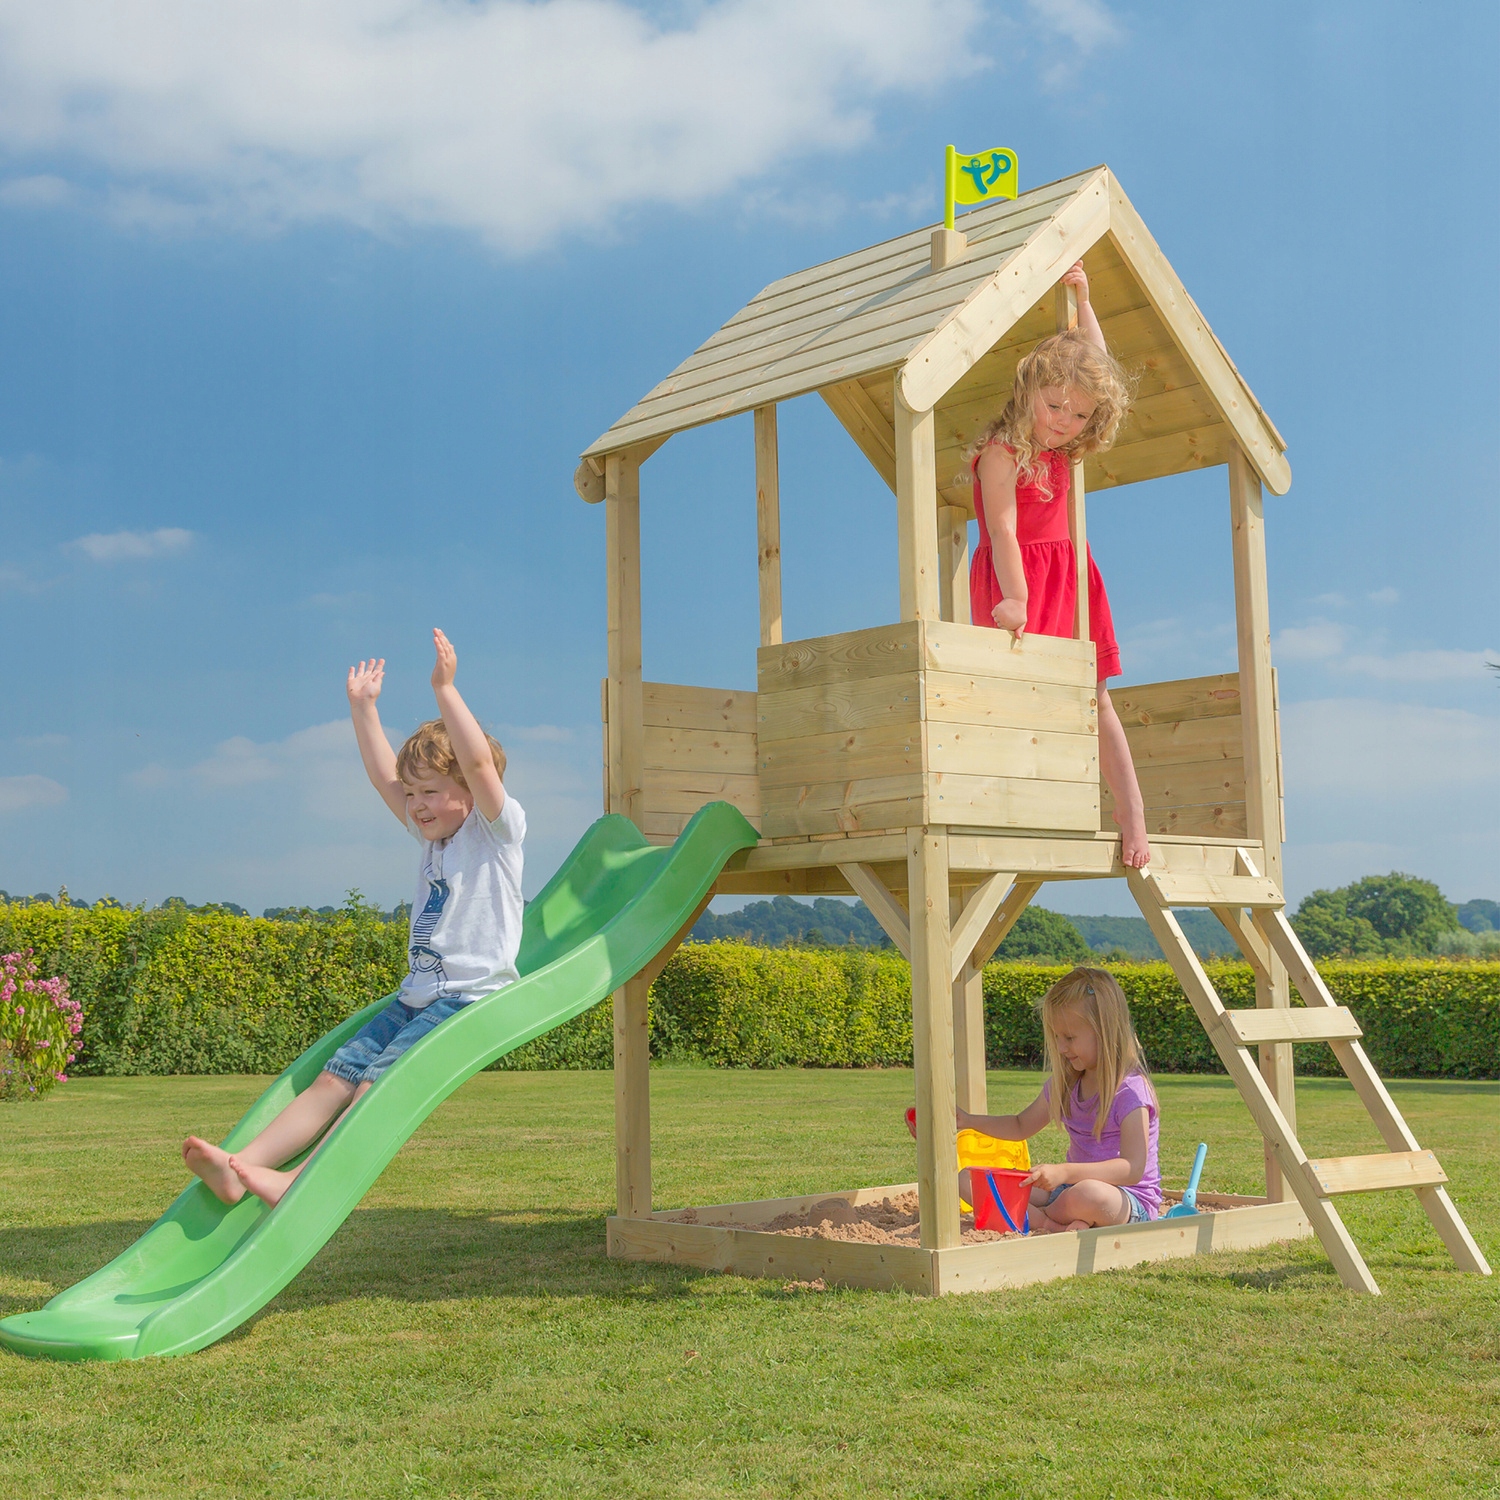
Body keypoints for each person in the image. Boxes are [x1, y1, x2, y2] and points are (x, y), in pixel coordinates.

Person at [182, 628, 525, 1209]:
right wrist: (363, 709)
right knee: (335, 1076)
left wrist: (445, 689)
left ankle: (301, 1180)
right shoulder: (432, 841)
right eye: (412, 795)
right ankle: (242, 1168)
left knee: (374, 1084)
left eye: (430, 792)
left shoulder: (496, 833)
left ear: (470, 789)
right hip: (415, 996)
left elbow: (474, 760)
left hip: (466, 998)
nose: (416, 805)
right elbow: (383, 776)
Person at [970, 261, 1152, 868]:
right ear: (1028, 391)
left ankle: (1131, 811)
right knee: (1015, 691)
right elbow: (1002, 528)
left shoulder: (1065, 451)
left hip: (1070, 578)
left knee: (1094, 697)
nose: (1064, 422)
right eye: (1054, 406)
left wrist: (1084, 299)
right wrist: (1017, 597)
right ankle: (1014, 804)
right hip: (1016, 579)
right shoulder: (1001, 454)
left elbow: (1096, 360)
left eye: (1078, 415)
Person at [956, 966, 1161, 1232]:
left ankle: (1038, 1217)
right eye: (1056, 1037)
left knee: (1088, 1194)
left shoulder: (1130, 1092)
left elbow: (1132, 1168)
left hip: (1126, 1200)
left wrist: (1064, 1172)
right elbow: (1019, 1125)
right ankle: (1053, 1224)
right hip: (1068, 1191)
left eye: (1070, 1038)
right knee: (969, 1179)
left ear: (1104, 1031)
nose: (1062, 1047)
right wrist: (967, 1120)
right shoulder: (1066, 1084)